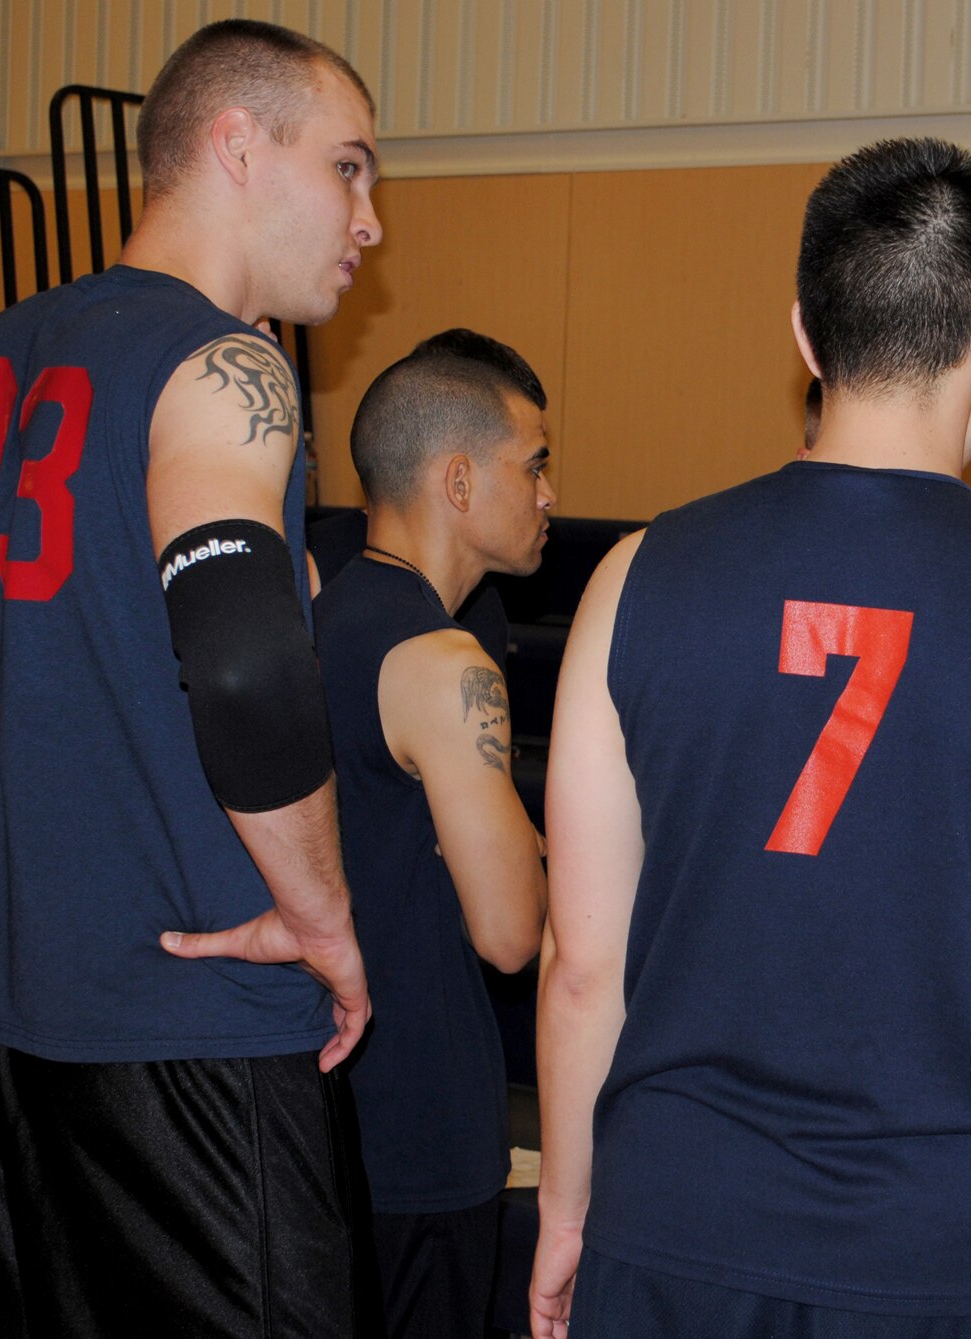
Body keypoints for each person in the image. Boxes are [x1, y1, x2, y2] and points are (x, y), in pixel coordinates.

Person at [530, 137, 971, 1339]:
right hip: (964, 1248)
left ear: (806, 338)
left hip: (681, 1232)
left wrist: (565, 1215)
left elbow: (581, 965)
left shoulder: (634, 578)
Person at [0, 20, 384, 1334]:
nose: (369, 219)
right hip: (184, 1007)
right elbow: (242, 658)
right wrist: (320, 911)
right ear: (235, 145)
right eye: (348, 167)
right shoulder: (226, 362)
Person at [316, 327, 552, 1337]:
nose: (548, 493)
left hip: (322, 1108)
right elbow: (509, 931)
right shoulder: (438, 656)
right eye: (533, 464)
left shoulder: (317, 614)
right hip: (422, 1119)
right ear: (458, 479)